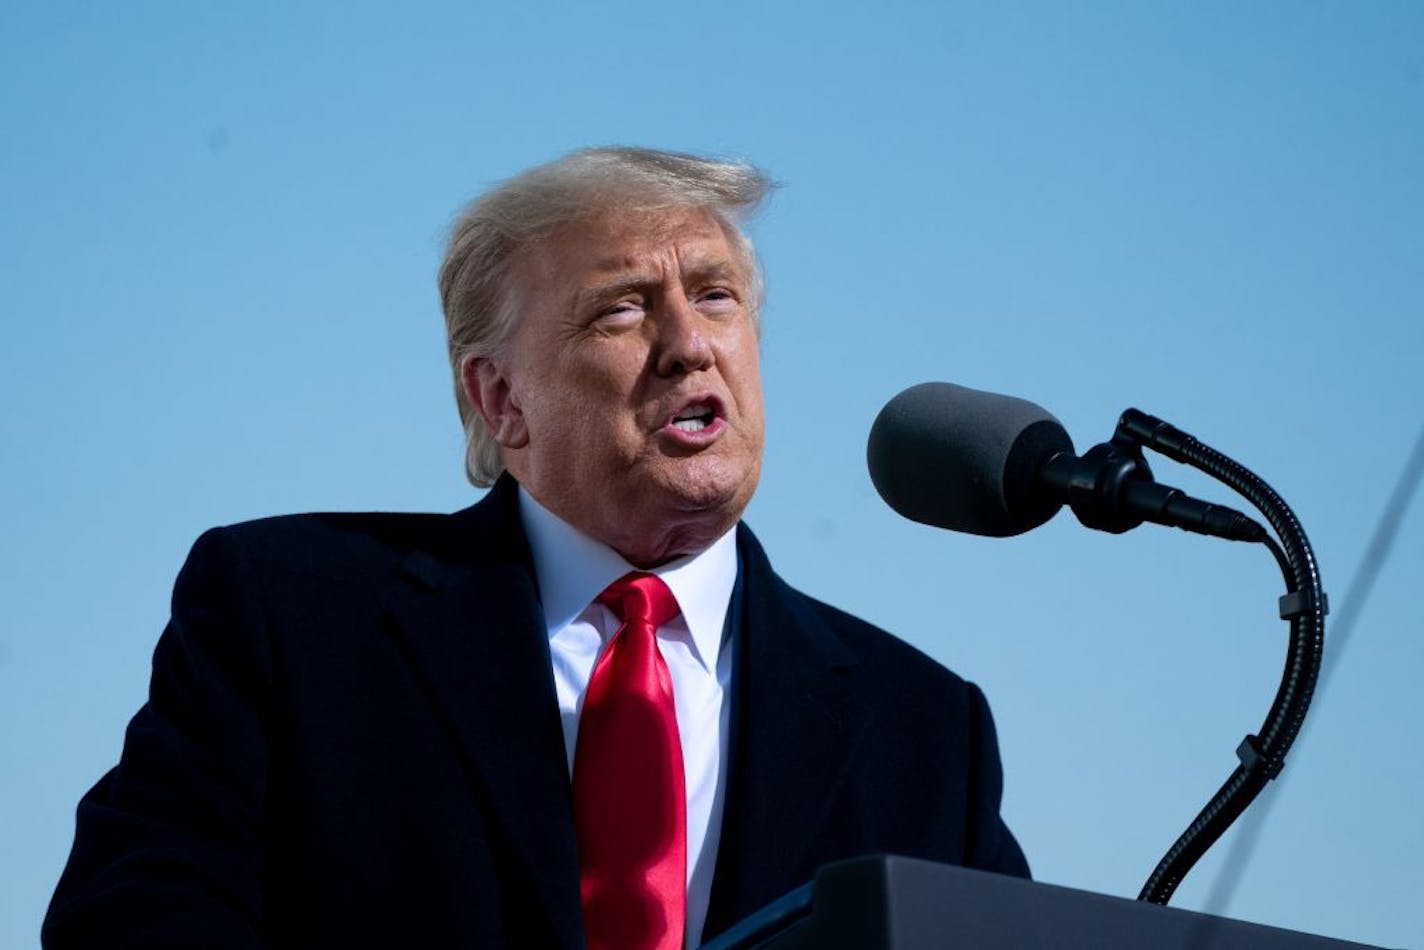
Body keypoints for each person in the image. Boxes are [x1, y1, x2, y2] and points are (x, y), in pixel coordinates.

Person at [44, 147, 1028, 949]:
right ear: (498, 397)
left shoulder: (923, 727)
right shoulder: (290, 619)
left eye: (716, 295)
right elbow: (130, 925)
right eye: (623, 306)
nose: (690, 343)